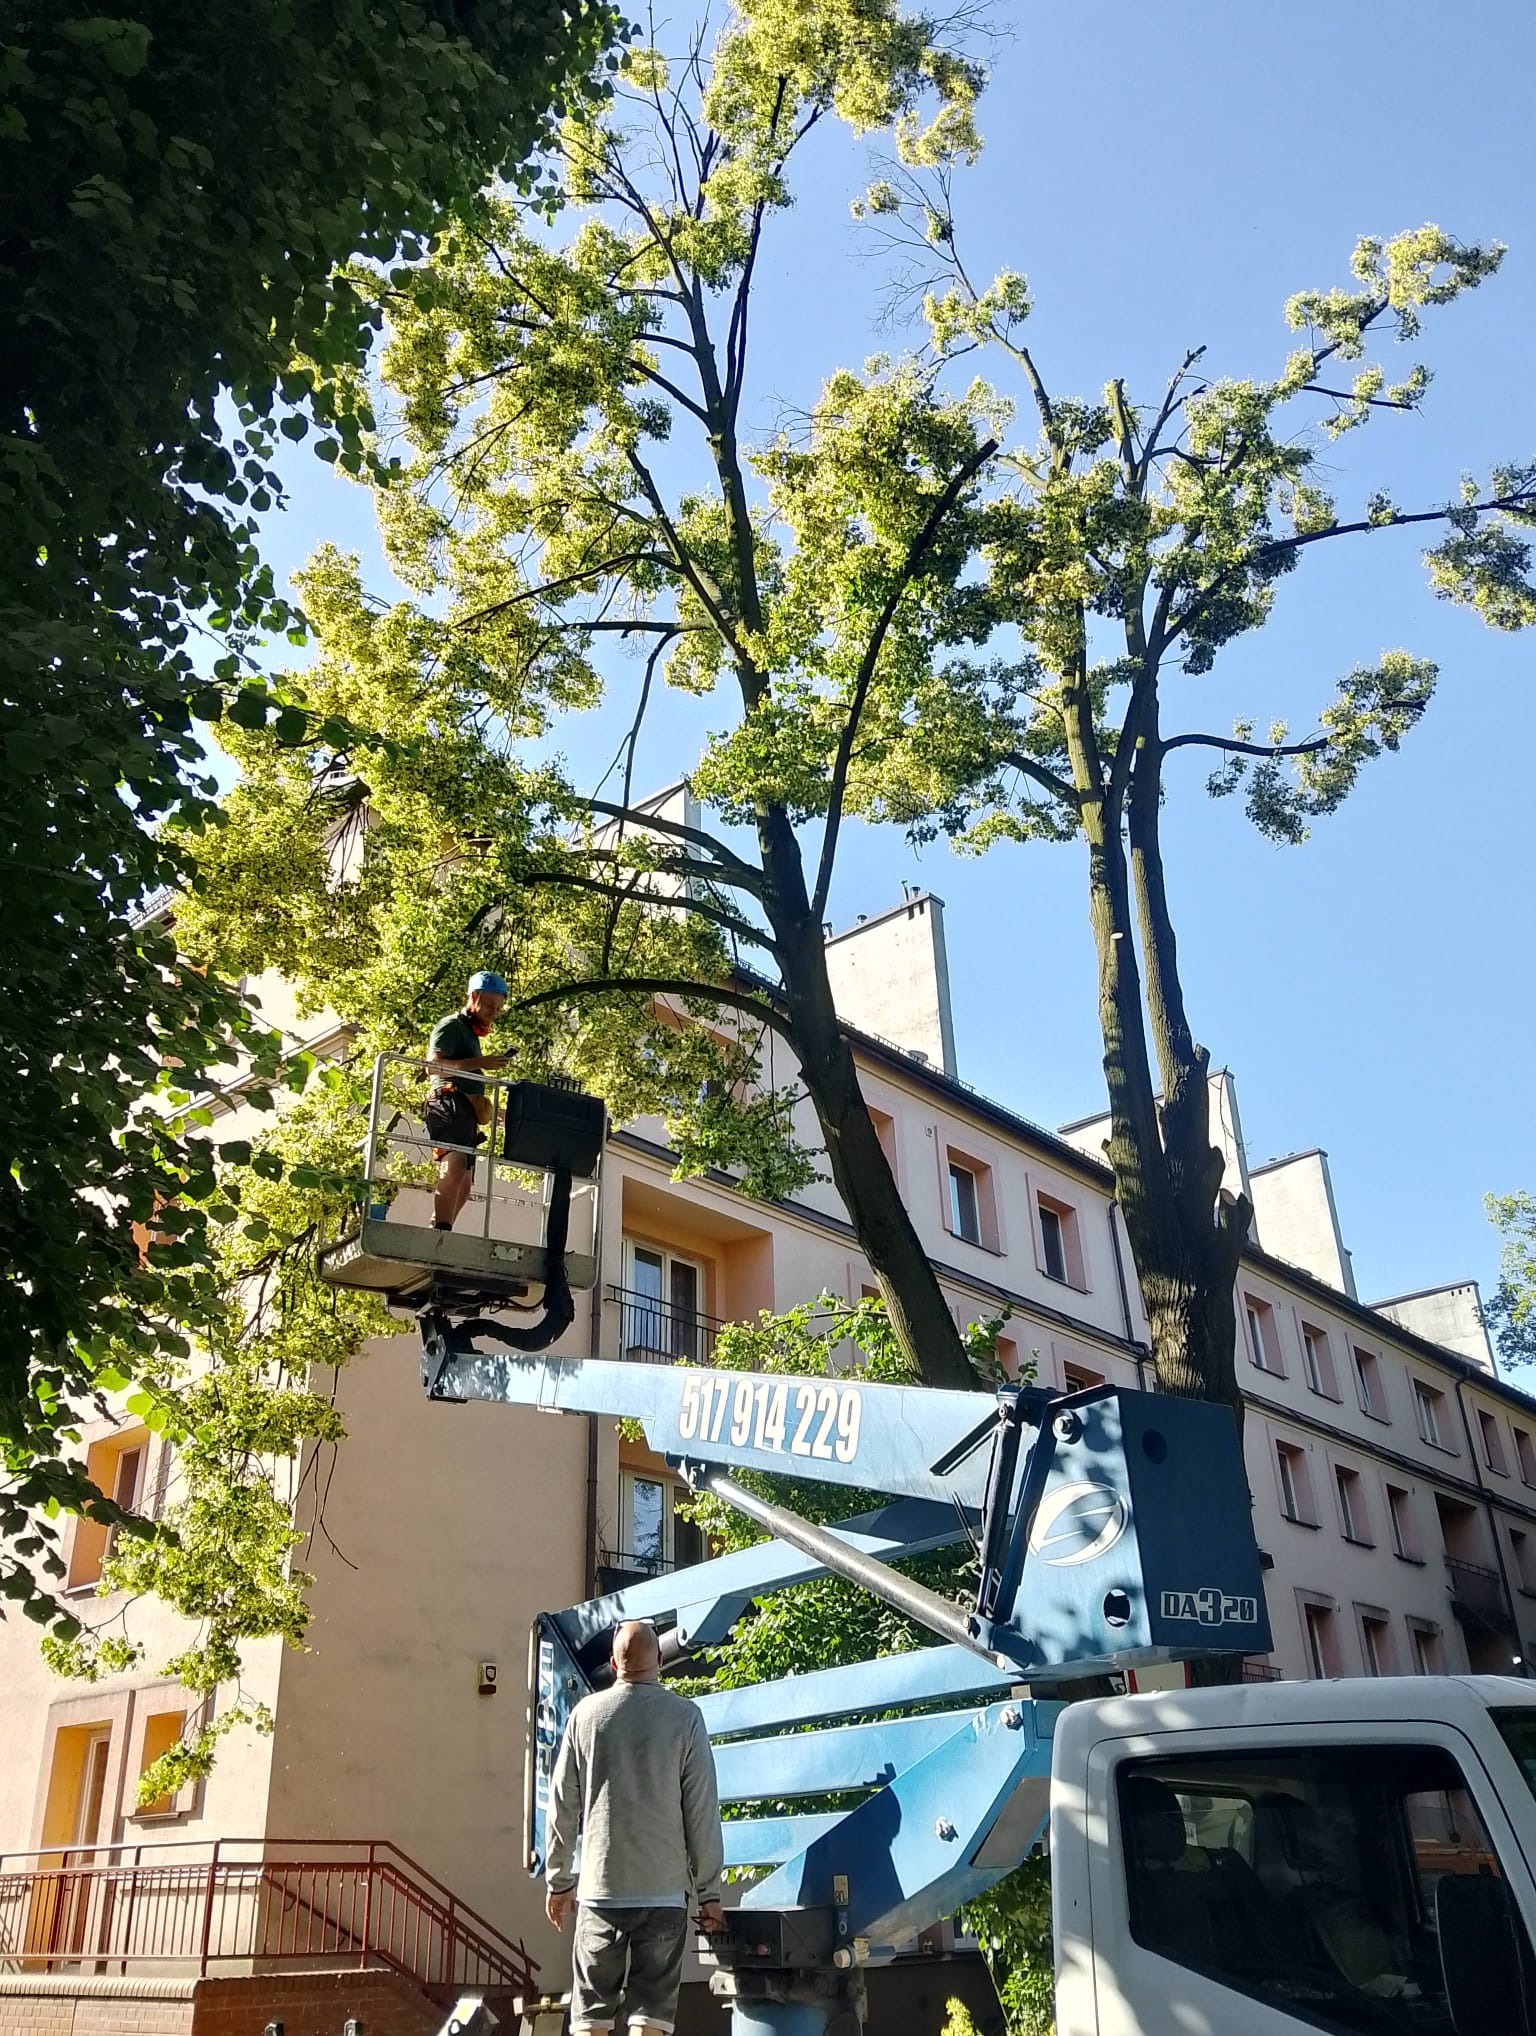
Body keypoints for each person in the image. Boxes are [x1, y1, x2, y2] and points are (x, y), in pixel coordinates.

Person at [545, 1621, 725, 2036]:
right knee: (651, 2017)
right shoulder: (686, 1718)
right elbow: (701, 1810)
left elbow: (562, 1805)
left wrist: (559, 1881)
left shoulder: (584, 1717)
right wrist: (709, 1893)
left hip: (600, 1891)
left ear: (613, 1664)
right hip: (664, 1894)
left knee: (591, 2017)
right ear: (660, 1660)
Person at [424, 971, 512, 1231]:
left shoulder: (471, 1036)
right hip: (449, 1102)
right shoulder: (451, 1026)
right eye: (488, 1006)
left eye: (498, 1009)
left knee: (465, 1180)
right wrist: (480, 1063)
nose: (493, 1013)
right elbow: (433, 1066)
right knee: (456, 1164)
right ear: (473, 997)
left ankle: (442, 1225)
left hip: (467, 1109)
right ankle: (440, 1228)